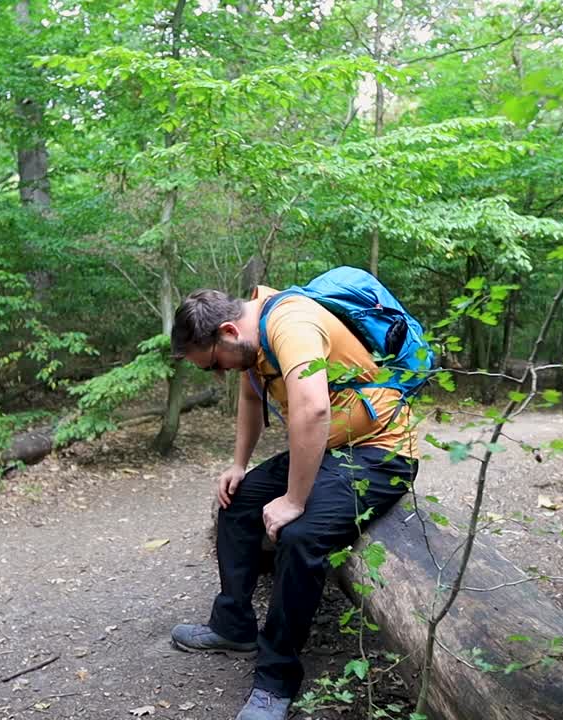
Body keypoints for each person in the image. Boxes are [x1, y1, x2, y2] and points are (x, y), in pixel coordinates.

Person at [168, 284, 420, 720]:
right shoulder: (249, 342)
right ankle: (233, 627)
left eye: (214, 364)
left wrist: (293, 500)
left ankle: (275, 679)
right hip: (330, 448)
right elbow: (251, 396)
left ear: (228, 330)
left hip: (381, 450)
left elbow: (313, 410)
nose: (219, 373)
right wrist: (238, 465)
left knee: (300, 536)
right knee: (238, 499)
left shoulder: (291, 323)